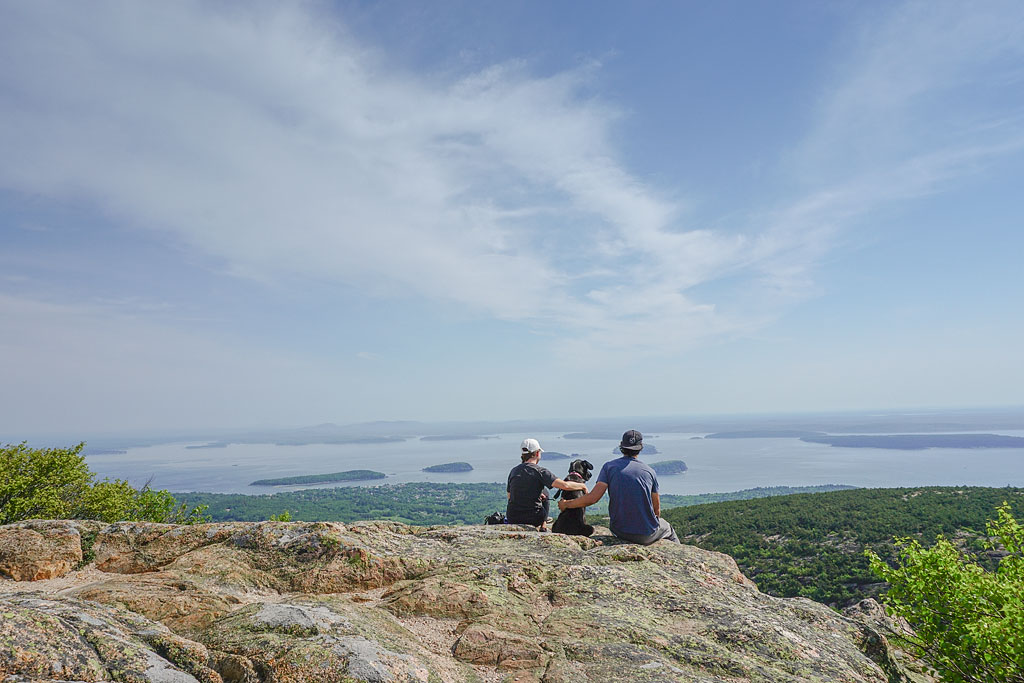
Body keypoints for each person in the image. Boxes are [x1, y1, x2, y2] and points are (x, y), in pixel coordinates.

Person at [558, 429, 679, 545]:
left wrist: (566, 504)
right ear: (640, 448)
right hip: (646, 534)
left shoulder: (609, 467)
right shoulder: (650, 472)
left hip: (619, 531)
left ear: (621, 446)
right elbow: (656, 510)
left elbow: (592, 498)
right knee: (669, 529)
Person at [507, 438, 588, 530]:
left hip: (512, 517)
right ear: (537, 453)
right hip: (533, 518)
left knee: (542, 492)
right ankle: (543, 524)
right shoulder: (540, 471)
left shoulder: (514, 471)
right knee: (545, 492)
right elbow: (565, 485)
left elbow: (510, 496)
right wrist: (582, 486)